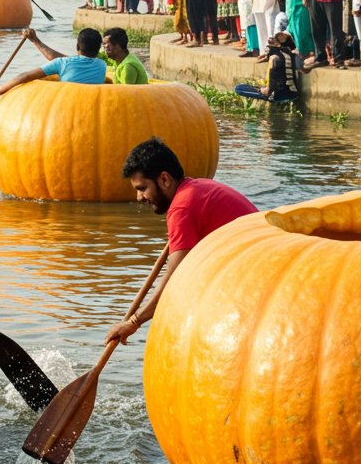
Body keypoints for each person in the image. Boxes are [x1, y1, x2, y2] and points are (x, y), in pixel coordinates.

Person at [105, 139, 257, 346]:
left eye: (142, 188)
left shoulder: (182, 208)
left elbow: (173, 279)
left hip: (255, 281)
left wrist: (134, 322)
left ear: (165, 180)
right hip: (250, 270)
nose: (139, 197)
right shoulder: (197, 188)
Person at [0, 28, 107, 95]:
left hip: (66, 105)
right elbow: (63, 59)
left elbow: (24, 76)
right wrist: (35, 40)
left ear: (77, 46)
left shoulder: (63, 63)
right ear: (98, 49)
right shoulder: (102, 65)